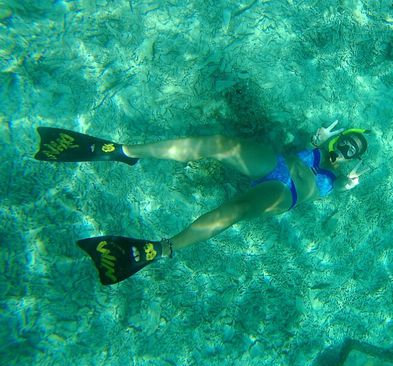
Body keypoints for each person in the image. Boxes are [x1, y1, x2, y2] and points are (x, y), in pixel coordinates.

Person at [34, 121, 371, 285]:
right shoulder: (319, 146)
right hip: (275, 165)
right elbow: (319, 143)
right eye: (345, 144)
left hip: (283, 195)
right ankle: (126, 152)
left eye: (351, 153)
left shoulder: (336, 181)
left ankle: (162, 248)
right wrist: (319, 138)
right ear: (337, 139)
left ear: (350, 162)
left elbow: (341, 185)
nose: (343, 152)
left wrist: (347, 182)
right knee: (218, 143)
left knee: (233, 212)